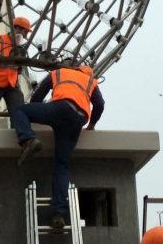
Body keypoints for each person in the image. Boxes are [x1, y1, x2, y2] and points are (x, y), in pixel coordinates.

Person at [11, 65, 105, 229]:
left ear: (76, 69)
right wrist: (91, 124)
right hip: (78, 119)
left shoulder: (60, 72)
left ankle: (28, 140)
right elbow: (99, 103)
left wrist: (35, 113)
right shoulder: (91, 82)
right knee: (62, 165)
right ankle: (58, 215)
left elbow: (39, 95)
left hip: (60, 108)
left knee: (20, 110)